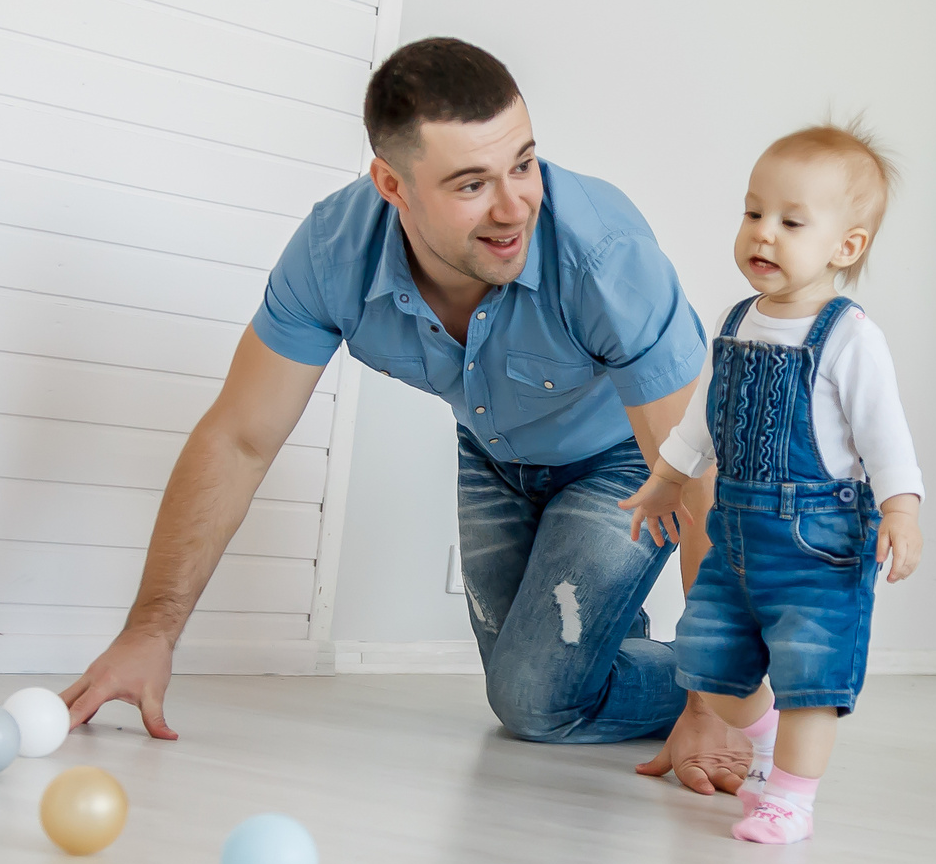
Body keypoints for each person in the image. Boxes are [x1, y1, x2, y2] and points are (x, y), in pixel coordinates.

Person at [64, 38, 751, 788]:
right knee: (538, 680)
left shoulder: (606, 258)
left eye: (524, 164)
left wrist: (710, 704)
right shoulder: (332, 255)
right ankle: (615, 660)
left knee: (535, 701)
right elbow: (238, 440)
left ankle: (747, 684)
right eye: (471, 184)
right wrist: (149, 632)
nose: (514, 206)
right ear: (392, 184)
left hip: (631, 461)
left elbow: (699, 475)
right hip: (493, 453)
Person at [620, 123, 923, 843]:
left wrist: (901, 512)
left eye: (791, 222)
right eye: (754, 212)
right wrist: (667, 479)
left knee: (811, 678)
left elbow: (886, 438)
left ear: (845, 246)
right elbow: (702, 420)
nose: (763, 232)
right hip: (734, 535)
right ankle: (766, 741)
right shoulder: (735, 322)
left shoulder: (849, 336)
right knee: (709, 667)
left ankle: (791, 799)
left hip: (820, 544)